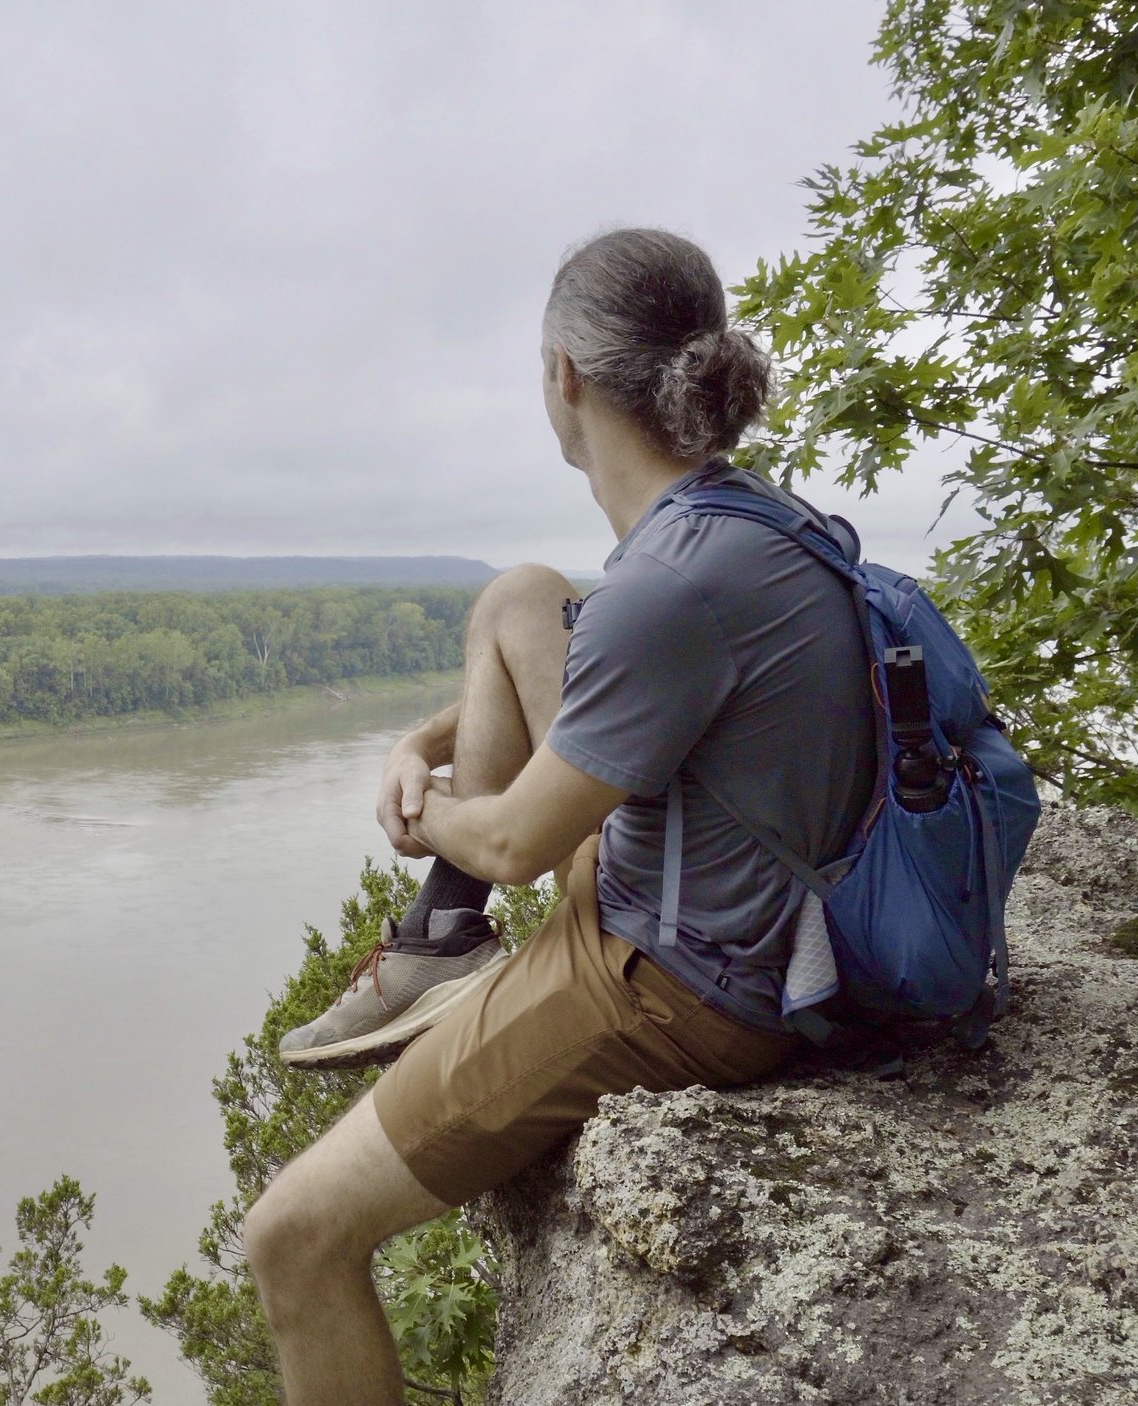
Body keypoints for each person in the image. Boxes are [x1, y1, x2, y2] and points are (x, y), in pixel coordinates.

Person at [246, 228, 876, 1403]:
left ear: (564, 376)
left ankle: (449, 950)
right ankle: (443, 944)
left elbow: (516, 843)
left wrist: (425, 806)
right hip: (717, 894)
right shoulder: (734, 525)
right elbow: (612, 683)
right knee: (521, 596)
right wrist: (422, 740)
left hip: (673, 985)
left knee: (291, 1236)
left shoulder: (670, 585)